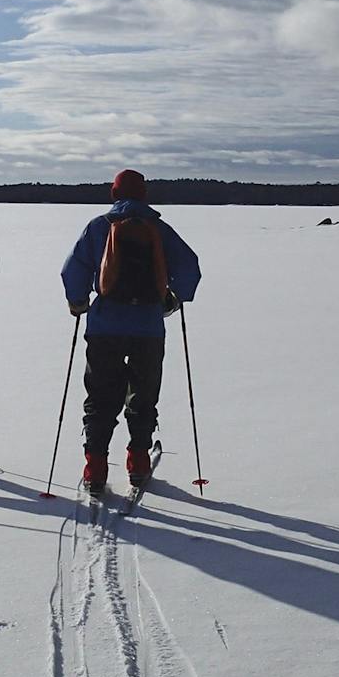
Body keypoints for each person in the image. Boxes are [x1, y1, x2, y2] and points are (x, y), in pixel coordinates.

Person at [61, 168, 200, 493]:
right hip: (148, 328)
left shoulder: (98, 228)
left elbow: (73, 269)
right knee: (143, 392)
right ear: (143, 195)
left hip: (104, 326)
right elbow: (190, 269)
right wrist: (176, 298)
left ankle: (95, 466)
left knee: (100, 394)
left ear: (114, 194)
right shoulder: (160, 229)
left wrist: (78, 302)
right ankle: (138, 459)